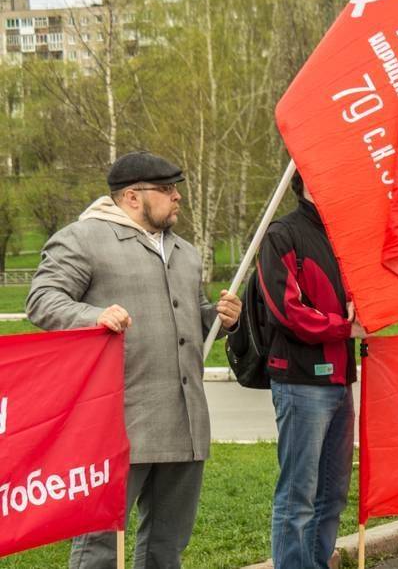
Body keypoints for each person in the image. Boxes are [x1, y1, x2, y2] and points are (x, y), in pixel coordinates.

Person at [26, 151, 242, 569]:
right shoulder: (84, 238)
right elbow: (42, 299)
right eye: (166, 189)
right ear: (132, 197)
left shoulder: (186, 251)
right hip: (117, 422)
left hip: (186, 424)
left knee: (167, 547)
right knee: (101, 548)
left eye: (176, 188)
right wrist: (94, 316)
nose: (177, 197)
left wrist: (220, 318)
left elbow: (192, 319)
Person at [259, 172, 366, 568]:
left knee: (332, 492)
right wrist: (343, 326)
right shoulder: (281, 235)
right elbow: (286, 311)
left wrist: (363, 306)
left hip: (340, 380)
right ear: (306, 184)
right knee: (298, 494)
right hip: (302, 381)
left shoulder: (343, 235)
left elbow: (356, 290)